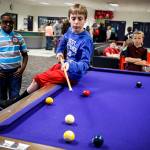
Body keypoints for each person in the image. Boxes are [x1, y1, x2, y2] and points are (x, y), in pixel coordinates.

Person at [15, 3, 93, 101]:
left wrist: (70, 65)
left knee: (38, 78)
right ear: (69, 19)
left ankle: (17, 101)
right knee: (45, 76)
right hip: (64, 66)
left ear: (85, 20)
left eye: (80, 19)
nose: (76, 22)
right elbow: (63, 40)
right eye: (73, 18)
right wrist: (59, 51)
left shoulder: (86, 40)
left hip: (73, 75)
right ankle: (30, 98)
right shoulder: (70, 30)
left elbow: (85, 64)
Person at [0, 13, 28, 108]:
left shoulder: (18, 36)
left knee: (15, 98)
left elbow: (25, 55)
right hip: (1, 74)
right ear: (1, 23)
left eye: (10, 22)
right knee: (1, 98)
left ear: (13, 23)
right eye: (5, 22)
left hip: (16, 73)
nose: (8, 24)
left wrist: (22, 69)